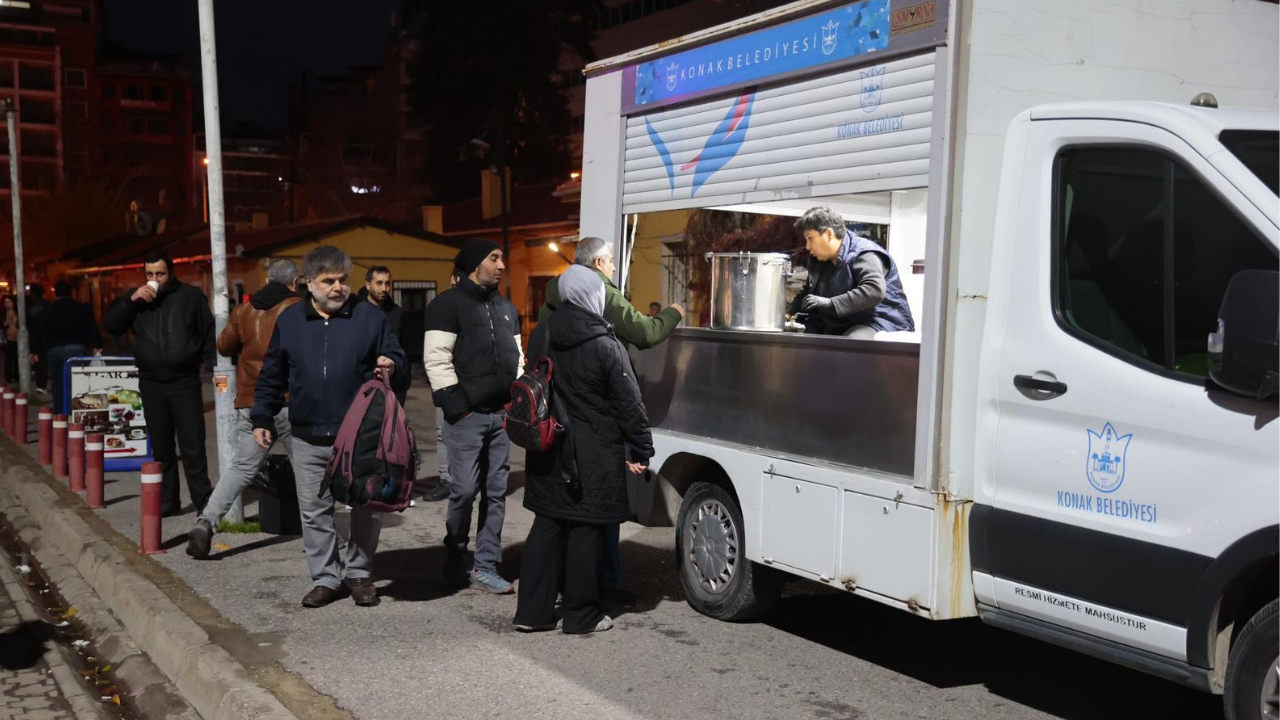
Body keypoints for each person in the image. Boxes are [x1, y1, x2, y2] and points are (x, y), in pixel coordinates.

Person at [251, 246, 405, 608]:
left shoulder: (369, 317)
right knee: (315, 511)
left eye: (342, 280)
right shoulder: (289, 321)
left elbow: (397, 354)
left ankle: (359, 574)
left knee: (366, 506)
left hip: (360, 434)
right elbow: (273, 372)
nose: (338, 288)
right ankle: (325, 578)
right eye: (328, 281)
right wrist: (262, 415)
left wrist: (392, 362)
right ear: (308, 283)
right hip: (307, 434)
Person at [537, 236, 684, 604]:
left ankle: (559, 589)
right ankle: (604, 588)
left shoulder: (552, 300)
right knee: (599, 509)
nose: (615, 268)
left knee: (560, 510)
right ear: (599, 264)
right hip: (595, 421)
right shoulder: (599, 297)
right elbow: (645, 333)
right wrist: (674, 312)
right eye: (612, 262)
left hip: (556, 418)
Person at [514, 265, 654, 634]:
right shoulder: (605, 343)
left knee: (546, 525)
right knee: (586, 529)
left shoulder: (541, 333)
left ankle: (531, 613)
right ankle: (580, 615)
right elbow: (629, 403)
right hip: (593, 453)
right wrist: (640, 449)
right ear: (594, 296)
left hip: (547, 446)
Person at [424, 238, 523, 594]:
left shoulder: (506, 308)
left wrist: (516, 400)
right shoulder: (445, 306)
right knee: (464, 491)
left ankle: (486, 565)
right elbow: (436, 361)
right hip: (467, 417)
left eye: (502, 259)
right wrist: (458, 408)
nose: (501, 266)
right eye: (493, 259)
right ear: (472, 265)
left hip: (502, 416)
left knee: (496, 493)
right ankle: (455, 555)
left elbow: (518, 356)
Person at [186, 260, 302, 559]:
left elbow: (223, 346)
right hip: (292, 402)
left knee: (240, 469)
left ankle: (206, 522)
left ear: (266, 278)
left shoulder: (244, 311)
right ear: (295, 282)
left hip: (252, 403)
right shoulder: (299, 309)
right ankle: (328, 537)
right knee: (308, 471)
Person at [103, 251, 215, 517]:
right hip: (151, 381)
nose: (155, 279)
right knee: (162, 446)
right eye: (150, 274)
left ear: (171, 273)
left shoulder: (189, 297)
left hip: (184, 381)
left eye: (160, 274)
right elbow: (111, 325)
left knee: (192, 445)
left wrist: (214, 366)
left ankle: (204, 502)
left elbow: (208, 332)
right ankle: (169, 499)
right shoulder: (137, 299)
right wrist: (131, 302)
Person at [788, 207, 915, 338]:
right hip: (843, 322)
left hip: (880, 322)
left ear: (829, 234)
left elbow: (874, 290)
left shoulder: (864, 254)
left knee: (850, 346)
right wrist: (788, 313)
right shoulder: (820, 261)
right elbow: (809, 293)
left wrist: (830, 303)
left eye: (810, 238)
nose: (808, 246)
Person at [422, 267, 465, 503]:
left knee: (469, 435)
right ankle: (447, 480)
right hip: (446, 382)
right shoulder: (441, 308)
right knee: (442, 433)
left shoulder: (478, 309)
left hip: (469, 384)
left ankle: (467, 479)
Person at [32, 281, 102, 411]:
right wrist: (97, 344)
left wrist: (34, 350)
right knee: (74, 379)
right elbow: (92, 326)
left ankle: (60, 412)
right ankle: (75, 409)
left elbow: (39, 330)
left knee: (57, 380)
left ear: (56, 293)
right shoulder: (81, 307)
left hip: (54, 349)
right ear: (71, 292)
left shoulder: (48, 309)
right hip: (76, 348)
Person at [358, 265, 411, 406]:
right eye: (379, 283)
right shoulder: (357, 313)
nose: (384, 288)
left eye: (387, 283)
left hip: (395, 385)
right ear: (368, 285)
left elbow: (405, 348)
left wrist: (403, 379)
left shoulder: (397, 313)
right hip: (364, 385)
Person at [25, 284, 47, 393]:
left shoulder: (28, 305)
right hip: (45, 336)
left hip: (33, 334)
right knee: (43, 360)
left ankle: (39, 381)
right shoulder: (46, 305)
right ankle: (42, 383)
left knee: (36, 358)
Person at [1, 296, 18, 384]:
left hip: (17, 338)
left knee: (17, 358)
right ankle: (8, 377)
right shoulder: (4, 313)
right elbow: (3, 324)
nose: (7, 304)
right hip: (8, 339)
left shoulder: (17, 312)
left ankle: (17, 376)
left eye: (9, 302)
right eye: (5, 303)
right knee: (9, 358)